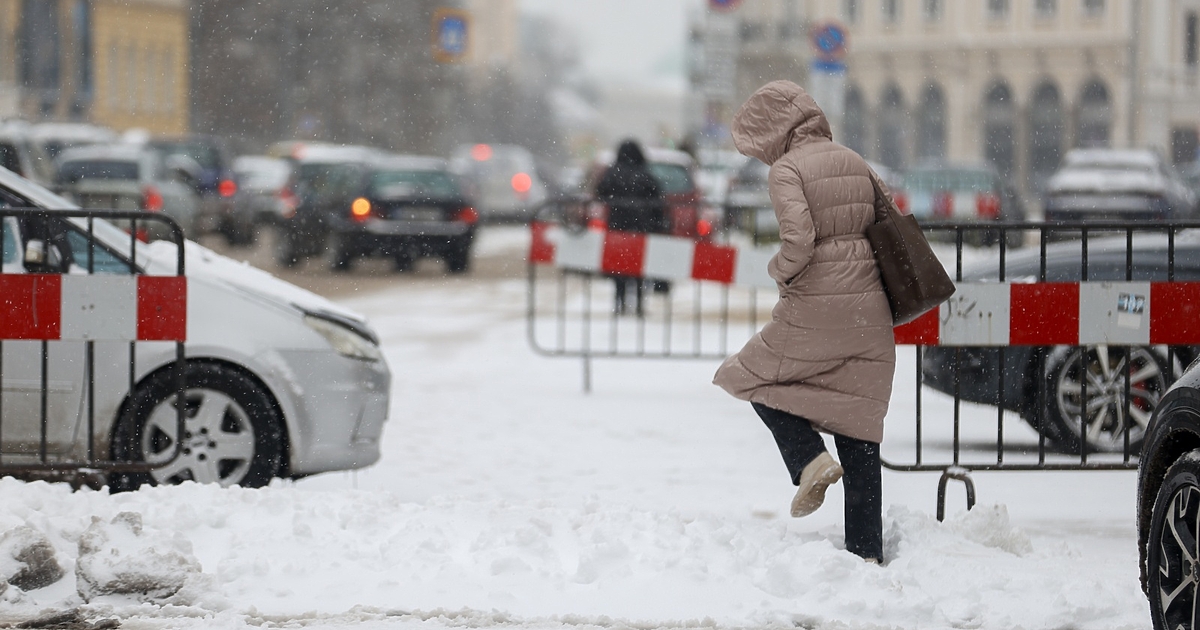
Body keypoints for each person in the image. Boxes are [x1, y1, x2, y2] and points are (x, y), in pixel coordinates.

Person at [712, 81, 897, 563]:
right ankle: (865, 553)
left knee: (748, 376)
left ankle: (808, 458)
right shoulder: (855, 160)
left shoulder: (786, 170)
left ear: (774, 131)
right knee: (859, 421)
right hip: (868, 306)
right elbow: (891, 223)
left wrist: (779, 272)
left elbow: (799, 239)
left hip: (816, 302)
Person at [594, 139, 665, 316]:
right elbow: (657, 200)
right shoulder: (645, 174)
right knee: (638, 268)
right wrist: (657, 223)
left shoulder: (613, 173)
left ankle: (619, 303)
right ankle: (640, 304)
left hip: (617, 227)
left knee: (619, 269)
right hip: (640, 228)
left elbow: (600, 192)